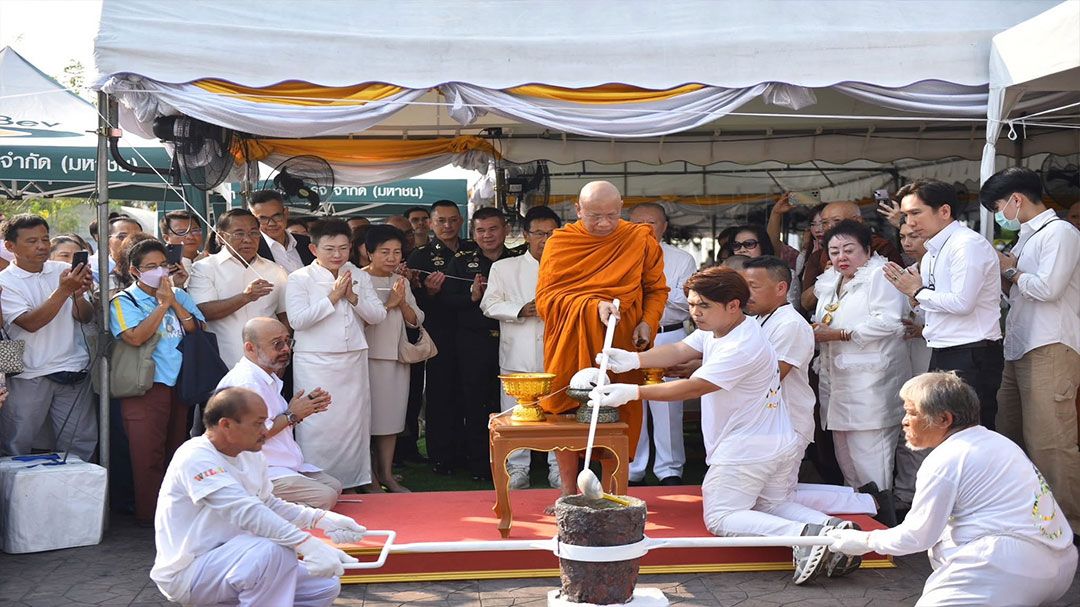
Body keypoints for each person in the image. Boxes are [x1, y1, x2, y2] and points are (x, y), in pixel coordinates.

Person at [589, 267, 847, 585]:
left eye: (704, 306)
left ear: (733, 305)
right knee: (773, 504)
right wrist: (633, 360)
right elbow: (682, 349)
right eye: (693, 304)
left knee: (721, 517)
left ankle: (803, 537)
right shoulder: (725, 328)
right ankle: (833, 531)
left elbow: (694, 387)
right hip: (771, 440)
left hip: (747, 446)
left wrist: (634, 392)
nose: (696, 313)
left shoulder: (742, 345)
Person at [828, 372, 1077, 607]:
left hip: (1007, 567)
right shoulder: (998, 441)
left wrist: (864, 540)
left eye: (911, 413)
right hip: (1059, 567)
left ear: (944, 419)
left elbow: (916, 536)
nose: (904, 421)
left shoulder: (946, 459)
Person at [151, 387, 365, 607]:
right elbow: (245, 510)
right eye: (258, 423)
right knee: (273, 552)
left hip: (234, 560)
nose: (266, 430)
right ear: (226, 425)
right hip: (190, 572)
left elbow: (268, 503)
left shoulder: (250, 454)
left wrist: (320, 519)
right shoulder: (195, 456)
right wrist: (306, 543)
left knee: (323, 586)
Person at [980, 167, 1080, 532]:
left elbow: (1047, 289)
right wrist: (1007, 274)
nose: (997, 214)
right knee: (1011, 434)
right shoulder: (1025, 237)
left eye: (997, 207)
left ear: (1016, 200)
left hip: (1050, 343)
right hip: (1019, 344)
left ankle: (1070, 525)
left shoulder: (1061, 233)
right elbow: (1020, 292)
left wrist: (1010, 271)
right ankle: (1030, 518)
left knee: (1051, 442)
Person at [536, 181, 669, 455]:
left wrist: (648, 323)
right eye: (595, 216)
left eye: (612, 215)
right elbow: (545, 302)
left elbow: (656, 290)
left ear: (621, 208)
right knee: (567, 415)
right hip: (570, 342)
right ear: (578, 210)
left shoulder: (639, 238)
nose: (605, 224)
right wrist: (592, 307)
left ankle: (614, 491)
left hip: (621, 342)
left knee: (618, 417)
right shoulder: (561, 243)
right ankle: (568, 492)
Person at [742, 255, 877, 521]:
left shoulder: (790, 324)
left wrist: (707, 378)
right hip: (771, 423)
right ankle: (863, 499)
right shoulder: (760, 319)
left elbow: (769, 377)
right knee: (769, 498)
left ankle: (850, 513)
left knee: (771, 501)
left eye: (753, 286)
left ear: (781, 288)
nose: (746, 294)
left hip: (787, 423)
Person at [884, 179, 1002, 429]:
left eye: (916, 213)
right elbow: (933, 303)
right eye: (905, 215)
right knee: (944, 428)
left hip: (972, 351)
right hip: (943, 348)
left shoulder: (966, 244)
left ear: (944, 211)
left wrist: (916, 290)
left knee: (971, 431)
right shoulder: (933, 252)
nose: (909, 222)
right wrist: (915, 296)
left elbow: (962, 303)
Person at [813, 220, 910, 521]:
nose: (841, 257)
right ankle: (858, 524)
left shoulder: (882, 276)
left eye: (849, 249)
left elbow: (891, 322)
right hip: (837, 380)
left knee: (872, 460)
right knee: (847, 460)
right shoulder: (831, 280)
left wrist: (840, 334)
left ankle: (883, 526)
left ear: (867, 249)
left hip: (871, 383)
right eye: (834, 251)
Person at [110, 239, 205, 524]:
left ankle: (175, 510)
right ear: (134, 271)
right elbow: (136, 337)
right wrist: (162, 307)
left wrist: (174, 301)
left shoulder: (178, 294)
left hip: (180, 383)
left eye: (162, 264)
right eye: (150, 267)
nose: (159, 271)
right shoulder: (124, 300)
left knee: (176, 450)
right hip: (146, 385)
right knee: (146, 454)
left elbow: (197, 328)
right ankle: (150, 515)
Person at [286, 218, 386, 491]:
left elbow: (378, 315)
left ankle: (354, 480)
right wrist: (333, 296)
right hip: (314, 359)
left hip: (352, 356)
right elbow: (298, 320)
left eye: (343, 248)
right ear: (314, 249)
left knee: (354, 423)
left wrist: (353, 297)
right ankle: (317, 481)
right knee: (318, 424)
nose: (337, 255)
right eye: (330, 249)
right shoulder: (299, 278)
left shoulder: (359, 275)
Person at [216, 317, 341, 509]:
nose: (285, 349)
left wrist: (302, 409)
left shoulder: (265, 375)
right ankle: (255, 510)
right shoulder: (246, 383)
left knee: (335, 486)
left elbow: (274, 419)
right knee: (325, 497)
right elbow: (251, 436)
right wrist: (292, 415)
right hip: (257, 470)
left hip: (281, 466)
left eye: (287, 341)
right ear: (250, 348)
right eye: (277, 344)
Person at [0, 213, 96, 461]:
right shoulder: (4, 281)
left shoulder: (64, 270)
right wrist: (64, 290)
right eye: (32, 241)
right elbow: (31, 323)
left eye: (45, 238)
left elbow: (84, 316)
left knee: (79, 446)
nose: (42, 246)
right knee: (17, 444)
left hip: (73, 368)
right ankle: (17, 498)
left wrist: (77, 295)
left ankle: (77, 497)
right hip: (28, 374)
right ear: (10, 247)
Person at [481, 206, 562, 489]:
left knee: (557, 412)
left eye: (551, 234)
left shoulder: (569, 266)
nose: (545, 239)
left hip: (557, 352)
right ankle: (517, 468)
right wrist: (520, 309)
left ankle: (558, 466)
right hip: (517, 350)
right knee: (515, 413)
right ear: (526, 235)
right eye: (539, 233)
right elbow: (488, 304)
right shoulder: (504, 267)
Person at [442, 207, 519, 481]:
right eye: (481, 230)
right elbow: (445, 302)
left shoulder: (518, 259)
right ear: (473, 233)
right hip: (473, 342)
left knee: (514, 402)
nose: (487, 235)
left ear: (506, 230)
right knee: (474, 402)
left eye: (493, 229)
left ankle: (517, 461)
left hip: (513, 338)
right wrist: (471, 297)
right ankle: (480, 464)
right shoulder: (461, 261)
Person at [627, 202, 696, 486]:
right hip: (628, 337)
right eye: (638, 222)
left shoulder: (681, 259)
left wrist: (654, 292)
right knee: (632, 400)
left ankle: (669, 469)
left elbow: (685, 303)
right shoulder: (619, 255)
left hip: (669, 334)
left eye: (652, 222)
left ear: (664, 227)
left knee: (668, 404)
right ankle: (633, 468)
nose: (645, 227)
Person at [406, 200, 476, 475]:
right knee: (440, 395)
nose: (447, 226)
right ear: (431, 224)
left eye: (453, 220)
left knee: (470, 393)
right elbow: (413, 302)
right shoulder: (419, 256)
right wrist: (431, 293)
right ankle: (442, 456)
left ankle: (471, 453)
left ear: (461, 221)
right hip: (439, 333)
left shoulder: (472, 249)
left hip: (472, 332)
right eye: (441, 221)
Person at [361, 225, 422, 492]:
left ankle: (387, 474)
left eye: (396, 252)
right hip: (365, 358)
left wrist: (402, 302)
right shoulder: (357, 279)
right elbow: (361, 320)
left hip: (397, 357)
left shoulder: (402, 282)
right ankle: (369, 478)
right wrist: (389, 304)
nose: (391, 257)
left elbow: (417, 320)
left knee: (392, 420)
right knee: (367, 421)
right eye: (384, 251)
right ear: (369, 252)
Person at [188, 209, 289, 369]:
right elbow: (203, 311)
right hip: (222, 361)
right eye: (239, 234)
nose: (247, 240)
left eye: (254, 233)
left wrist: (282, 357)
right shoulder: (204, 268)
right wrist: (245, 297)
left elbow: (285, 317)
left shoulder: (276, 270)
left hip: (269, 366)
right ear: (221, 237)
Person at [802, 200, 903, 311]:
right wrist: (827, 277)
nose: (830, 227)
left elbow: (899, 291)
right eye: (825, 222)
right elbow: (805, 303)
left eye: (837, 220)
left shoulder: (880, 248)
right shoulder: (818, 256)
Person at [894, 221, 932, 515]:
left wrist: (924, 329)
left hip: (935, 355)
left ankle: (922, 495)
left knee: (929, 421)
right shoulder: (902, 274)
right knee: (907, 424)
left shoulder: (944, 266)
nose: (907, 242)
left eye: (914, 236)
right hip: (904, 359)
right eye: (903, 236)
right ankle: (905, 492)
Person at [251, 190, 315, 274]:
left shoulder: (307, 243)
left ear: (286, 213)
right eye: (263, 219)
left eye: (276, 216)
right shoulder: (253, 251)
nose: (271, 223)